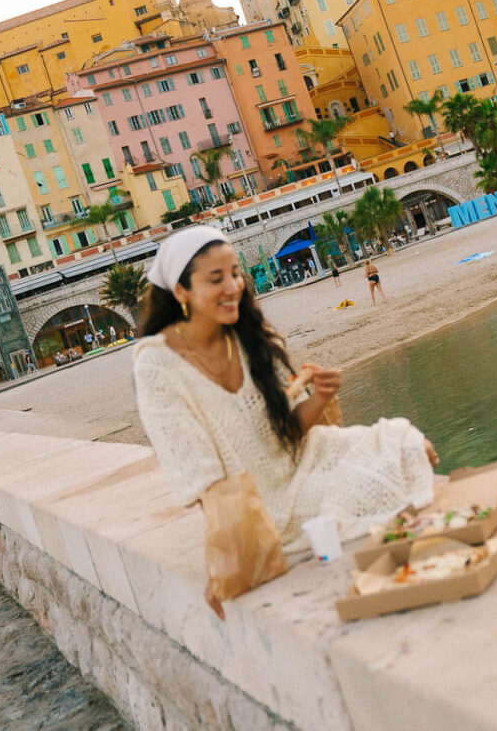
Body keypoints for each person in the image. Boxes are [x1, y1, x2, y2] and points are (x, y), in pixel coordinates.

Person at [134, 226, 437, 620]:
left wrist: (322, 396)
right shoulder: (156, 363)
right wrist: (229, 554)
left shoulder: (243, 337)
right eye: (216, 279)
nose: (233, 287)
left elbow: (285, 432)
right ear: (180, 291)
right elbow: (200, 476)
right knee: (377, 485)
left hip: (303, 457)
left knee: (408, 443)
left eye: (235, 274)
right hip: (261, 501)